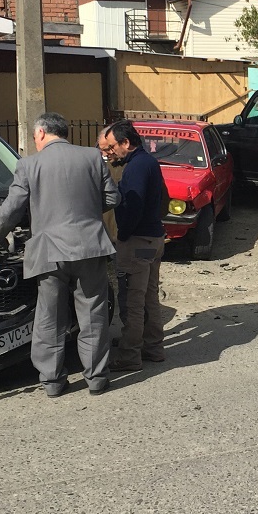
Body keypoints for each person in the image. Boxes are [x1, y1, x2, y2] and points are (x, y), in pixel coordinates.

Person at [0, 112, 119, 398]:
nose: (34, 141)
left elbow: (11, 210)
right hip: (90, 247)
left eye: (35, 137)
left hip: (49, 252)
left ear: (42, 133)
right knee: (93, 313)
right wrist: (85, 214)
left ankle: (53, 382)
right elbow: (112, 198)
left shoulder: (28, 165)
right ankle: (96, 379)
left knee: (50, 318)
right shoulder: (92, 157)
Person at [101, 120, 170, 372]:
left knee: (132, 298)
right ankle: (153, 347)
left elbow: (133, 206)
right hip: (154, 239)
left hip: (138, 241)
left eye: (112, 147)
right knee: (149, 295)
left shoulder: (135, 167)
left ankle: (130, 355)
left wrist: (124, 235)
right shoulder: (148, 161)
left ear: (126, 143)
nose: (110, 153)